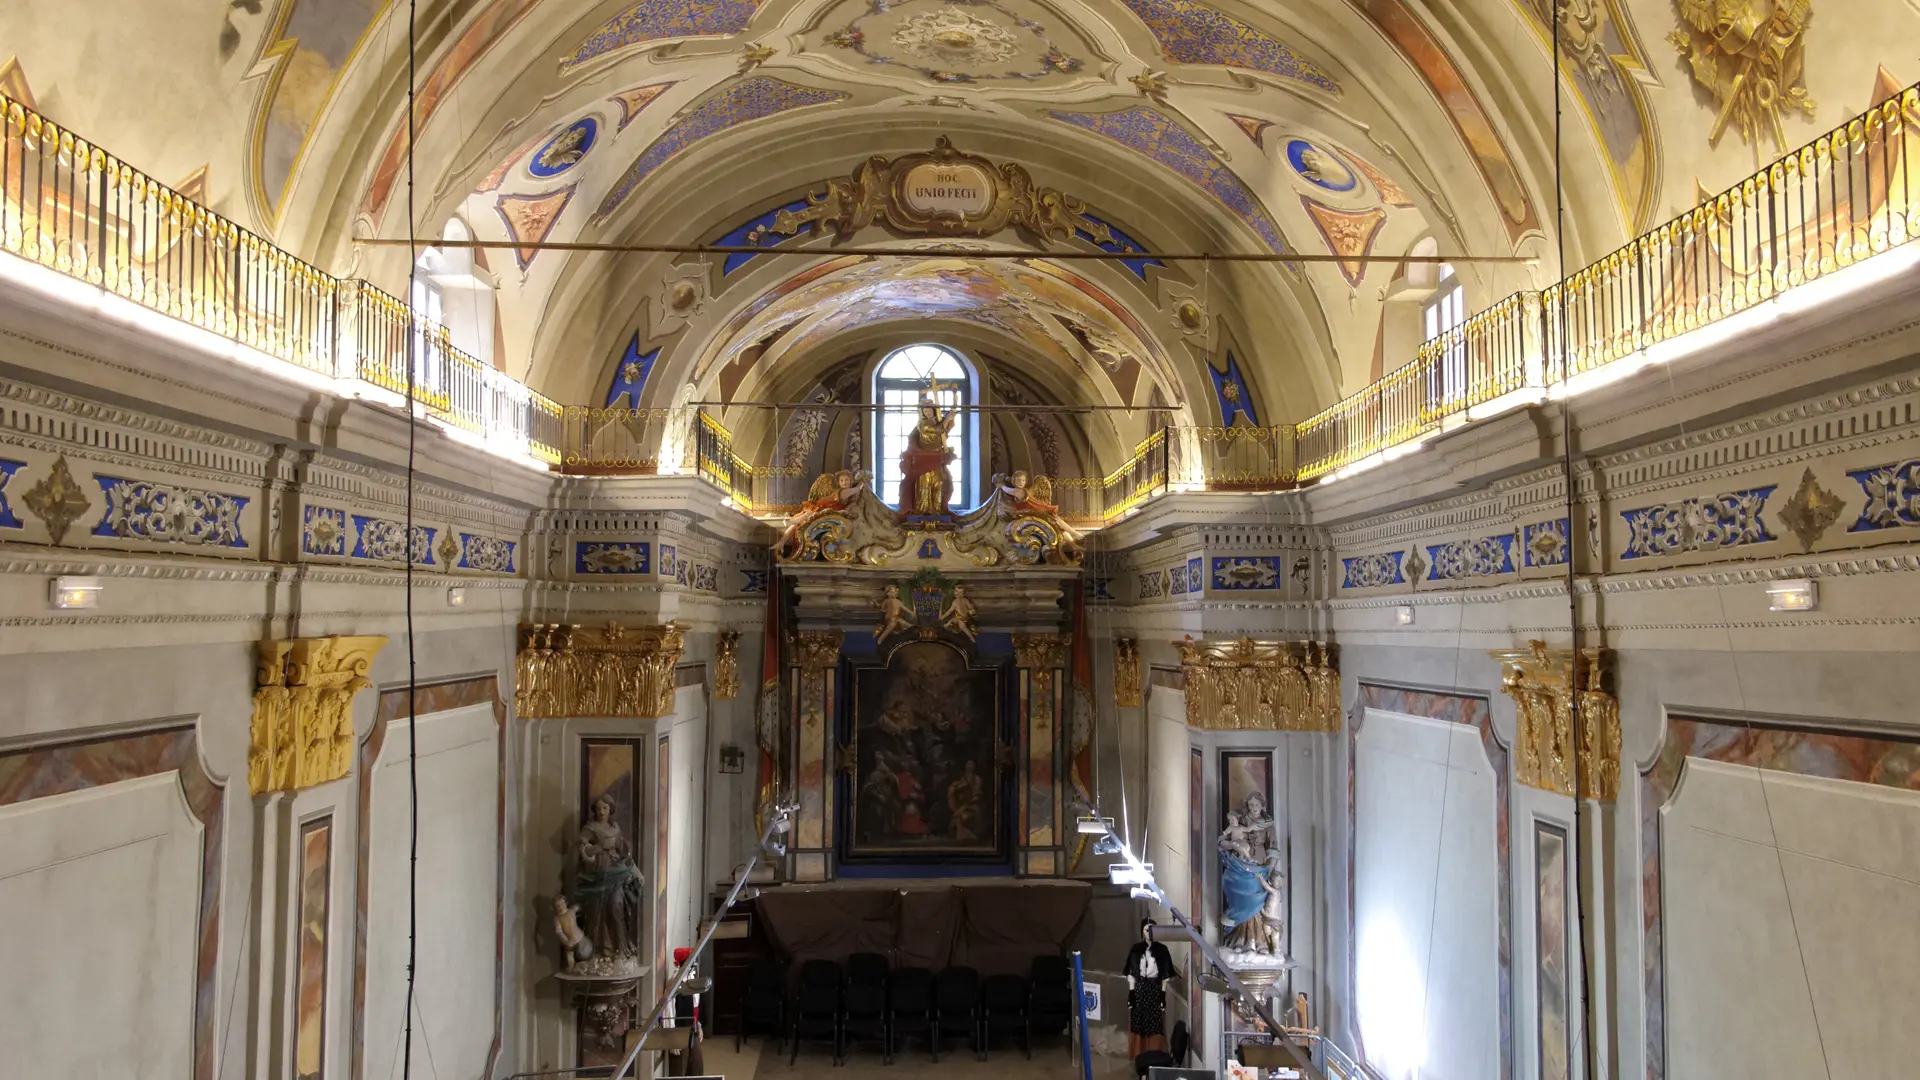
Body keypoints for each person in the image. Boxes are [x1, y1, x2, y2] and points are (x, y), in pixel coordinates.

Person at [573, 796, 643, 956]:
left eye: (604, 808)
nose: (601, 812)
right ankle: (600, 951)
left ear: (610, 809)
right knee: (596, 913)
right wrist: (599, 847)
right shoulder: (591, 827)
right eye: (598, 808)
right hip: (596, 876)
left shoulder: (616, 829)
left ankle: (620, 948)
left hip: (616, 875)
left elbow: (625, 854)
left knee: (616, 906)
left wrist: (636, 871)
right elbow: (582, 850)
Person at [1124, 918, 1177, 1057]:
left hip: (1154, 989)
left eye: (1153, 929)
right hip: (1139, 989)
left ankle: (1154, 1056)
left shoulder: (1162, 950)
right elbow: (1131, 972)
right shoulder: (1136, 949)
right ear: (1142, 931)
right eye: (1147, 930)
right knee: (1138, 1022)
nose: (1150, 933)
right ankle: (1138, 1056)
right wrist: (1131, 993)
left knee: (1154, 1023)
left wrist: (1162, 995)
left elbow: (1165, 974)